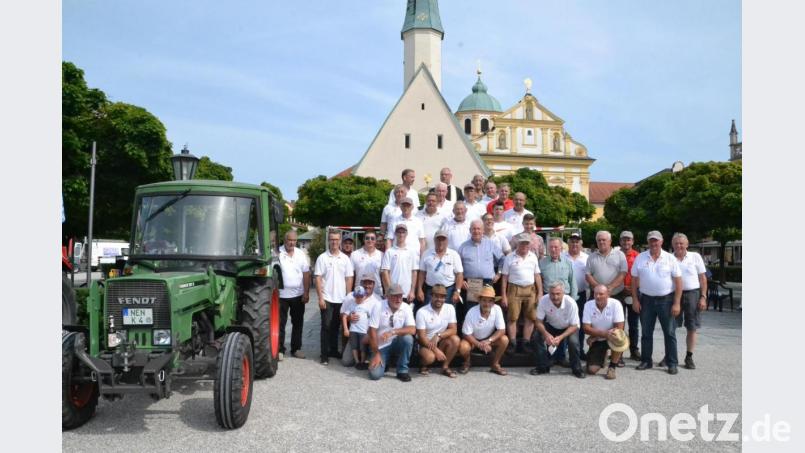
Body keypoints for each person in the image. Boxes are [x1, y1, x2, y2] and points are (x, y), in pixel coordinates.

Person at [631, 231, 683, 375]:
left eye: (656, 241)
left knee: (670, 333)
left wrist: (677, 303)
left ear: (661, 241)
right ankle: (646, 360)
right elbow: (634, 281)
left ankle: (672, 363)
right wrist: (635, 299)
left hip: (666, 300)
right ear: (648, 242)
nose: (653, 243)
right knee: (646, 332)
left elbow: (679, 282)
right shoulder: (640, 258)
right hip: (646, 300)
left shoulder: (670, 258)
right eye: (651, 241)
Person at [585, 230, 628, 366]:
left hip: (616, 293)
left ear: (610, 241)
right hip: (598, 296)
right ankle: (599, 351)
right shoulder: (591, 257)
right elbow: (588, 275)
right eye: (599, 240)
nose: (602, 242)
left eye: (604, 240)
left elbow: (623, 273)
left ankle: (617, 354)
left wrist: (610, 288)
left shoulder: (619, 254)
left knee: (618, 326)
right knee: (597, 322)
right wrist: (600, 289)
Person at [314, 231, 355, 365]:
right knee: (326, 326)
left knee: (336, 326)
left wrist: (348, 298)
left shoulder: (345, 259)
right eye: (332, 239)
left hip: (341, 299)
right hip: (327, 298)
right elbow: (318, 278)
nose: (334, 242)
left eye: (336, 240)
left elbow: (349, 279)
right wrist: (320, 297)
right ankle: (324, 354)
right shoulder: (322, 258)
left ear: (340, 241)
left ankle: (333, 350)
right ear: (328, 240)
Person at [531, 281, 584, 378]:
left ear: (563, 293)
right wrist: (546, 334)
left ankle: (576, 368)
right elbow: (538, 322)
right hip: (551, 325)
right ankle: (542, 366)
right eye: (552, 294)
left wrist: (560, 338)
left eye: (558, 294)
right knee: (536, 336)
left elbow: (575, 325)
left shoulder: (571, 303)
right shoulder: (543, 300)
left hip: (569, 327)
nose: (555, 297)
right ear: (548, 292)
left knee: (573, 342)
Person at [500, 233, 543, 354]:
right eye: (522, 243)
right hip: (514, 289)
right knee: (512, 317)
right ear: (517, 243)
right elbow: (504, 277)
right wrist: (503, 295)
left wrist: (540, 293)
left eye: (526, 243)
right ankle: (512, 343)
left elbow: (537, 275)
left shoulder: (533, 256)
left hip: (530, 289)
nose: (524, 245)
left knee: (531, 317)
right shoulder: (510, 257)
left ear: (529, 244)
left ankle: (526, 343)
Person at [671, 232, 707, 370]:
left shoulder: (695, 256)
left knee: (692, 327)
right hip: (674, 295)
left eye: (681, 243)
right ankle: (670, 354)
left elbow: (703, 278)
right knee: (671, 326)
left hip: (693, 294)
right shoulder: (669, 258)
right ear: (672, 245)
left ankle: (689, 356)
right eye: (676, 243)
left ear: (687, 244)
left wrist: (703, 296)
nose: (679, 245)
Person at [367, 284, 416, 382]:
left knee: (408, 338)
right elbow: (371, 331)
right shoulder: (378, 306)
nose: (398, 299)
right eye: (395, 296)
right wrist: (376, 353)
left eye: (400, 296)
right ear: (387, 296)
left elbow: (412, 329)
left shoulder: (406, 307)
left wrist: (393, 332)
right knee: (375, 375)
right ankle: (384, 361)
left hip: (397, 342)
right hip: (381, 346)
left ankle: (402, 370)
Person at [458, 285, 509, 375]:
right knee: (463, 347)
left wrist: (488, 341)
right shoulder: (472, 311)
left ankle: (495, 364)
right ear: (479, 301)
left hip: (488, 339)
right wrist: (478, 344)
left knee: (504, 340)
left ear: (493, 302)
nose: (487, 304)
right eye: (484, 300)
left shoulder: (497, 309)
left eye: (490, 301)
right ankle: (467, 362)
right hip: (473, 339)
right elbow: (466, 334)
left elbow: (502, 330)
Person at [277, 230, 311, 360]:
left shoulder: (301, 254)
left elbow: (306, 274)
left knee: (298, 323)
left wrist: (306, 292)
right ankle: (280, 349)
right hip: (281, 295)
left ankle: (296, 348)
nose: (291, 243)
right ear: (285, 240)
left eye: (294, 240)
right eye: (289, 240)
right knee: (280, 323)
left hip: (298, 294)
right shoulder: (277, 252)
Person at [415, 284, 461, 378]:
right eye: (436, 296)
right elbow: (422, 337)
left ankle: (445, 367)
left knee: (455, 339)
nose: (439, 299)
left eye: (442, 297)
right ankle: (422, 365)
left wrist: (438, 335)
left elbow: (453, 329)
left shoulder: (450, 308)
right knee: (430, 358)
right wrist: (436, 350)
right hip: (424, 343)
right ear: (431, 296)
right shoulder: (422, 312)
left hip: (440, 340)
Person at [583, 284, 627, 380]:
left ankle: (612, 367)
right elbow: (586, 328)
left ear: (608, 295)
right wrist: (602, 335)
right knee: (591, 370)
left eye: (601, 294)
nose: (598, 296)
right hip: (599, 338)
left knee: (619, 338)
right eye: (595, 294)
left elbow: (619, 328)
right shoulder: (588, 305)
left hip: (612, 337)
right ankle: (603, 358)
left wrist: (597, 336)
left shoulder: (616, 304)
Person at [417, 230, 464, 309]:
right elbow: (422, 273)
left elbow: (459, 274)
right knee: (429, 313)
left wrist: (457, 291)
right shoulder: (426, 254)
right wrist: (419, 289)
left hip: (448, 290)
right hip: (431, 290)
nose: (441, 242)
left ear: (447, 241)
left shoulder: (454, 255)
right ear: (434, 240)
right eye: (438, 239)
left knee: (448, 314)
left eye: (443, 239)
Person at [340, 285, 378, 369]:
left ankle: (363, 361)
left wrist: (369, 331)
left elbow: (372, 318)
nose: (359, 298)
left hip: (364, 331)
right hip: (353, 330)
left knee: (362, 347)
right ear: (354, 296)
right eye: (357, 296)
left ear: (364, 296)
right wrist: (346, 329)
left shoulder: (370, 304)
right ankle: (357, 361)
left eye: (361, 296)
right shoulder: (352, 304)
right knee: (354, 347)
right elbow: (344, 316)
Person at [564, 232, 589, 357]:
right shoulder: (562, 256)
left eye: (577, 242)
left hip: (581, 295)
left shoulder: (586, 258)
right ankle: (562, 352)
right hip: (566, 295)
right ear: (568, 243)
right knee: (564, 323)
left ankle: (579, 350)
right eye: (572, 241)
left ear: (581, 244)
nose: (574, 244)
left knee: (579, 323)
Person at [380, 224, 418, 303]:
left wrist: (412, 291)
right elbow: (385, 272)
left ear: (406, 234)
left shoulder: (412, 251)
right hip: (393, 292)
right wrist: (389, 289)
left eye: (403, 232)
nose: (401, 234)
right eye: (399, 232)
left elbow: (414, 272)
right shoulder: (389, 251)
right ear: (395, 234)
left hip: (407, 293)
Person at [619, 230, 641, 360]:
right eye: (623, 239)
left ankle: (634, 350)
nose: (626, 242)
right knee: (619, 324)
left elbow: (640, 275)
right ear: (620, 241)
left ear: (632, 241)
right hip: (619, 292)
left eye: (628, 240)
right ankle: (619, 351)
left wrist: (633, 289)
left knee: (634, 324)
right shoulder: (615, 255)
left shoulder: (638, 256)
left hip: (633, 293)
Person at [350, 231, 383, 295]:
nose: (370, 240)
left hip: (377, 292)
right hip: (359, 292)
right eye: (367, 238)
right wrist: (349, 293)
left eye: (372, 238)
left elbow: (384, 276)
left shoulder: (382, 255)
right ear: (363, 239)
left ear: (376, 240)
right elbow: (351, 276)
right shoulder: (354, 254)